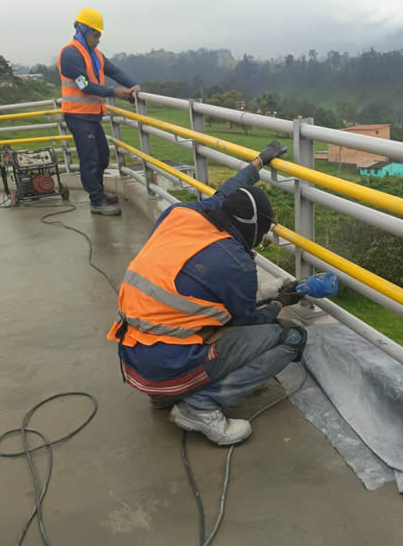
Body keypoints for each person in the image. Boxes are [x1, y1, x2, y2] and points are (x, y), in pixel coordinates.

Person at [107, 141, 307, 445]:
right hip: (165, 368)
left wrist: (258, 162)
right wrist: (279, 302)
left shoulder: (181, 214)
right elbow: (248, 323)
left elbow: (226, 194)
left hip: (134, 362)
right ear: (253, 228)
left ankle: (167, 396)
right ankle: (200, 406)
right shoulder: (236, 264)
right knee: (291, 338)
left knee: (193, 321)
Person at [57, 8, 140, 216]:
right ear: (83, 31)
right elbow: (85, 86)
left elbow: (114, 71)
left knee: (102, 156)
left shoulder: (95, 55)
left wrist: (134, 86)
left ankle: (98, 193)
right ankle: (96, 201)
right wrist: (115, 92)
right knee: (90, 158)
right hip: (77, 115)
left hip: (92, 115)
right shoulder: (70, 54)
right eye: (95, 35)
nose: (98, 40)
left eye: (99, 36)